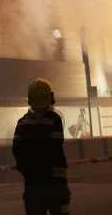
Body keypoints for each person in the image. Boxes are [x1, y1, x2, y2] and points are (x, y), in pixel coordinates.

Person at [13, 78, 71, 215]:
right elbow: (56, 149)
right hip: (55, 185)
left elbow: (16, 151)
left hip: (32, 185)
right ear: (49, 97)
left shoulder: (22, 123)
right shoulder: (54, 119)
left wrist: (28, 172)